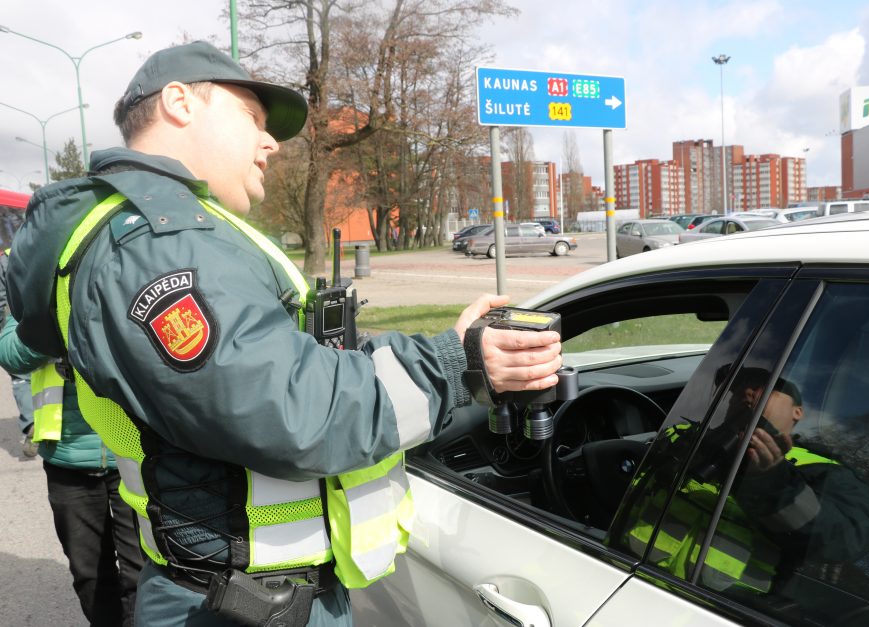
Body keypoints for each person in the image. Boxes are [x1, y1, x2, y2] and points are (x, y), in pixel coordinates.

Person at [7, 41, 561, 627]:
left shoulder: (174, 234)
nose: (271, 142)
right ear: (178, 103)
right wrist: (454, 365)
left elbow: (294, 362)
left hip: (251, 595)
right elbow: (292, 410)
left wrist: (450, 350)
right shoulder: (159, 245)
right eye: (252, 118)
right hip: (239, 605)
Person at [624, 369, 869, 595]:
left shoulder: (822, 470)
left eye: (766, 389)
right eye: (738, 390)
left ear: (797, 412)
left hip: (724, 610)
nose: (747, 392)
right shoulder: (683, 437)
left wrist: (772, 482)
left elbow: (844, 542)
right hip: (629, 580)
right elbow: (625, 499)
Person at [0, 312, 143, 625]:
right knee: (89, 576)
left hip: (132, 453)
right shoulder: (43, 286)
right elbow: (9, 351)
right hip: (67, 458)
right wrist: (55, 326)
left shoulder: (123, 280)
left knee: (142, 573)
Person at [0, 249, 35, 457]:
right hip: (49, 323)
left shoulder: (6, 258)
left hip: (17, 328)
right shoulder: (46, 243)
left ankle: (31, 422)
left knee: (21, 378)